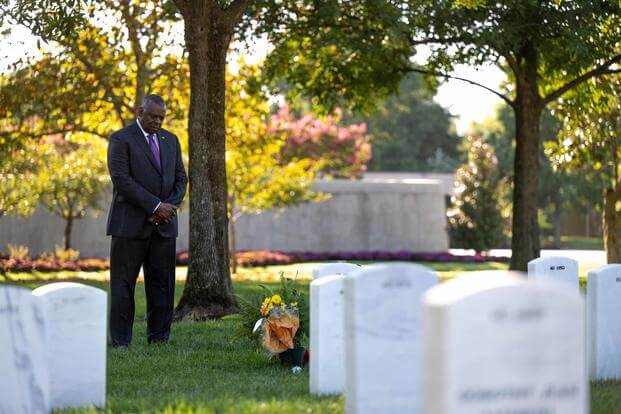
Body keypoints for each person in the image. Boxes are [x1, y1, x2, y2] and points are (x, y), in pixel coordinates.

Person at [106, 94, 188, 346]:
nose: (157, 121)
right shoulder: (120, 139)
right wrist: (154, 206)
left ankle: (159, 338)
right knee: (123, 285)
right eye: (153, 116)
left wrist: (168, 207)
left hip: (163, 227)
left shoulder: (171, 140)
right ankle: (121, 341)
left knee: (162, 285)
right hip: (129, 225)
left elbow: (180, 178)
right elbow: (121, 179)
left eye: (161, 117)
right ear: (140, 112)